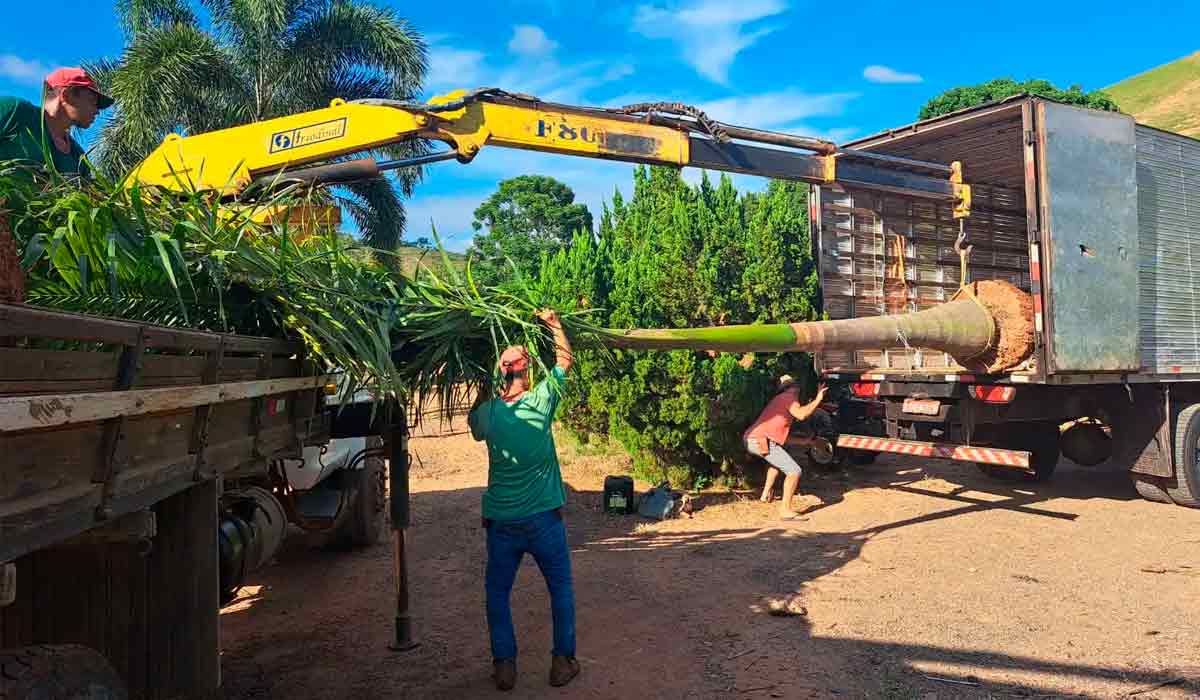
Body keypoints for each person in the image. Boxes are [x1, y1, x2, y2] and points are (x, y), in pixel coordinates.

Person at [468, 309, 580, 691]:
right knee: (560, 589)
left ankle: (504, 666)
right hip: (544, 520)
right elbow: (565, 360)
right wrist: (554, 324)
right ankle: (562, 662)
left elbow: (475, 426)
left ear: (501, 372)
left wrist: (485, 382)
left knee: (497, 593)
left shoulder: (488, 414)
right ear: (526, 369)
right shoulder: (542, 400)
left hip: (501, 522)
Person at [0, 66, 113, 177]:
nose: (97, 111)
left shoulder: (79, 157)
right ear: (66, 95)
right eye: (92, 101)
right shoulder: (16, 112)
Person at [743, 376, 827, 520]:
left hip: (752, 438)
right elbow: (801, 415)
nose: (798, 389)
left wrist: (805, 441)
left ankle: (765, 495)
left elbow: (781, 437)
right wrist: (818, 398)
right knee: (794, 471)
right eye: (795, 386)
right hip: (760, 440)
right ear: (791, 388)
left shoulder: (780, 399)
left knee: (776, 462)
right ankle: (785, 511)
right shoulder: (789, 397)